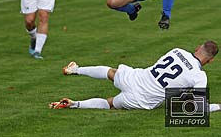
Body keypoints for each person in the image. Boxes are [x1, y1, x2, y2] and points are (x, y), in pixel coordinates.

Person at [50, 40, 221, 113]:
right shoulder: (199, 76)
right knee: (110, 103)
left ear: (198, 47)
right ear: (211, 60)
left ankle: (76, 69)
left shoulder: (178, 50)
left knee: (111, 72)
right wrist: (218, 106)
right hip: (144, 99)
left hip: (138, 77)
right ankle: (75, 104)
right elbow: (198, 108)